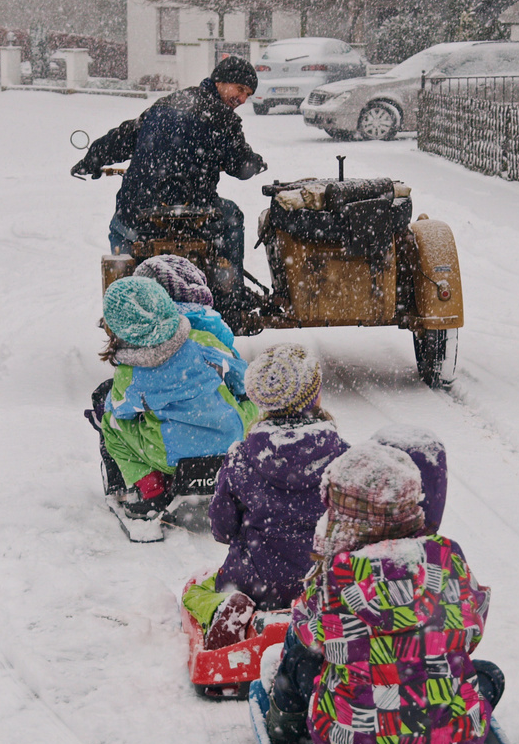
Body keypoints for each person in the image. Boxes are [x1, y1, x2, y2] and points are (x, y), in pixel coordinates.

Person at [265, 442, 503, 744]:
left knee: (298, 662)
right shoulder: (448, 558)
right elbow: (472, 631)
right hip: (454, 741)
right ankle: (438, 729)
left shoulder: (336, 578)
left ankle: (283, 734)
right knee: (488, 674)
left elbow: (310, 638)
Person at [183, 344, 348, 648]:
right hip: (324, 583)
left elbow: (221, 528)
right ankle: (324, 618)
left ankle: (229, 608)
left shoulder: (241, 458)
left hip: (257, 583)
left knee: (197, 590)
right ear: (316, 395)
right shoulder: (343, 457)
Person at [71, 57, 267, 286]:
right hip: (193, 217)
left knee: (120, 225)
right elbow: (240, 167)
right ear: (220, 81)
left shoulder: (166, 103)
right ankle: (233, 296)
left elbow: (124, 137)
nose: (242, 99)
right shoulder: (222, 118)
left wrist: (92, 159)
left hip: (139, 214)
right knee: (232, 216)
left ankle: (123, 288)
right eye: (240, 89)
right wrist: (255, 162)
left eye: (248, 95)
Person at [97, 276, 256, 516]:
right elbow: (244, 377)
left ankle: (151, 490)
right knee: (254, 404)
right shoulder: (203, 342)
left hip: (172, 455)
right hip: (232, 439)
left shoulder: (129, 374)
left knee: (111, 423)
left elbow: (120, 410)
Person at [133, 254, 244, 397]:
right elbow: (242, 382)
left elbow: (124, 397)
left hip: (153, 414)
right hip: (213, 411)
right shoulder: (212, 333)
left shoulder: (138, 334)